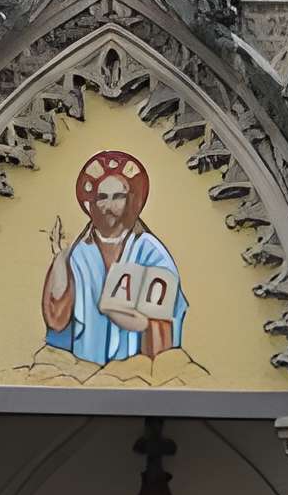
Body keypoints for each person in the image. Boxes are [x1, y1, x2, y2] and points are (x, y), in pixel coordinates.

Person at [42, 149, 186, 363]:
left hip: (137, 368)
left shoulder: (149, 250)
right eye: (102, 197)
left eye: (118, 197)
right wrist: (61, 258)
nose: (109, 206)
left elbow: (163, 316)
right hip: (86, 364)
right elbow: (57, 318)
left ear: (131, 201)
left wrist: (128, 317)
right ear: (92, 203)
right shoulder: (81, 252)